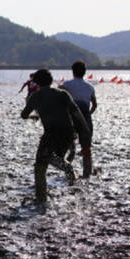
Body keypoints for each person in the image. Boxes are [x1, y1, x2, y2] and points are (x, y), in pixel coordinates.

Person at [21, 68, 89, 203]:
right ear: (51, 81)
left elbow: (23, 115)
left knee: (40, 164)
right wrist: (85, 129)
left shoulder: (35, 96)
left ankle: (41, 197)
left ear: (36, 83)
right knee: (54, 157)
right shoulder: (63, 94)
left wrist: (34, 115)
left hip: (51, 132)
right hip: (67, 133)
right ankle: (67, 169)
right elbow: (76, 111)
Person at [59, 61, 97, 178]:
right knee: (86, 148)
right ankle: (87, 173)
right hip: (85, 117)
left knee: (68, 145)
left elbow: (59, 95)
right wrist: (87, 114)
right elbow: (94, 105)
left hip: (70, 117)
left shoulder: (66, 84)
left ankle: (68, 170)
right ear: (85, 73)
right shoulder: (90, 87)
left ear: (73, 71)